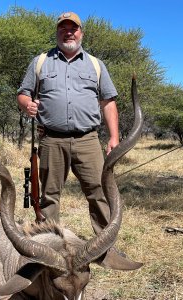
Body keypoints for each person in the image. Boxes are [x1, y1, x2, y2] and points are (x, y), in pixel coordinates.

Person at [17, 12, 132, 268]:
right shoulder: (40, 62)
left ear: (81, 33)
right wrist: (27, 105)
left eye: (73, 29)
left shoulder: (95, 64)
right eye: (63, 29)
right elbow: (23, 93)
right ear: (57, 33)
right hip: (52, 140)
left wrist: (114, 136)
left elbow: (108, 102)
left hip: (88, 140)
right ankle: (47, 251)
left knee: (100, 193)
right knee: (48, 197)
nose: (68, 33)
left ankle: (106, 249)